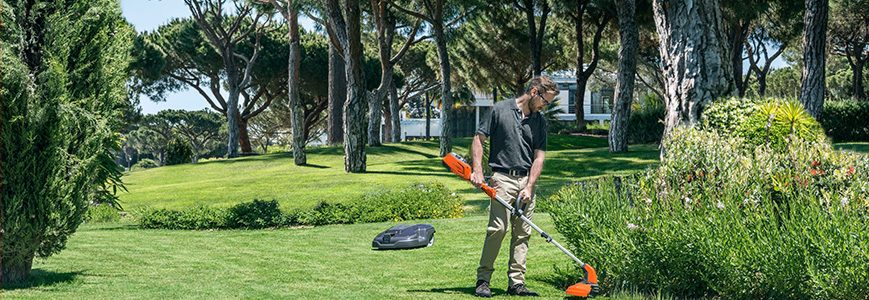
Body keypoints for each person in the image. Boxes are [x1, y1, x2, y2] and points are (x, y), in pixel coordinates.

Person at [471, 75, 558, 297]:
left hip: (525, 182)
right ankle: (483, 280)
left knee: (523, 233)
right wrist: (478, 171)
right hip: (502, 179)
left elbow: (539, 156)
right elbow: (479, 139)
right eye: (545, 101)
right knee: (498, 229)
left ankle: (516, 283)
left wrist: (529, 186)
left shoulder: (538, 120)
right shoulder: (499, 110)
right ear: (535, 92)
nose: (544, 107)